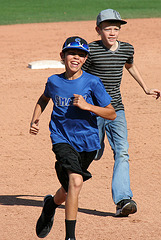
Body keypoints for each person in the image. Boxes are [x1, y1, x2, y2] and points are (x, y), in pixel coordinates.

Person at [29, 36, 116, 240]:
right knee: (76, 181)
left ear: (85, 59)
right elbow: (44, 99)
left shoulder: (92, 82)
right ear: (63, 56)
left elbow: (111, 113)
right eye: (72, 53)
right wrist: (35, 118)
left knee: (68, 189)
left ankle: (51, 204)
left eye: (81, 54)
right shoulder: (54, 81)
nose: (76, 57)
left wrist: (88, 106)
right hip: (61, 138)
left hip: (88, 142)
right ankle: (70, 237)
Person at [82, 9, 161, 217]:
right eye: (107, 29)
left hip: (116, 109)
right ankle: (75, 172)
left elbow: (130, 66)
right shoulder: (90, 51)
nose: (112, 33)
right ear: (98, 30)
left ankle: (123, 199)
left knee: (122, 151)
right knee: (93, 152)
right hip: (94, 112)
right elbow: (80, 77)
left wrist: (145, 88)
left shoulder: (127, 49)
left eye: (116, 29)